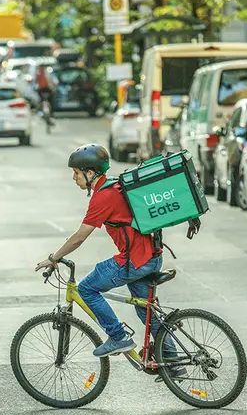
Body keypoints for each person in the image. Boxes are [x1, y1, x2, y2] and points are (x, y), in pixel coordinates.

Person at [34, 145, 182, 371]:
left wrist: (54, 258)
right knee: (148, 314)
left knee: (86, 289)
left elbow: (79, 237)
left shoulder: (103, 197)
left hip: (134, 261)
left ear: (90, 173)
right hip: (151, 256)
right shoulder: (115, 185)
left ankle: (118, 336)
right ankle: (173, 362)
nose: (74, 178)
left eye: (76, 173)